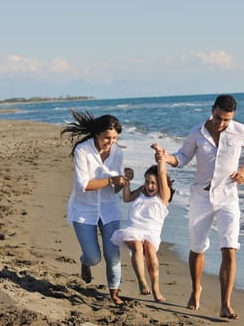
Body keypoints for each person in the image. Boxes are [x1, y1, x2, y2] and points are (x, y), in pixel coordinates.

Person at [156, 95, 244, 319]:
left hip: (228, 196)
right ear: (212, 110)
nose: (221, 123)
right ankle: (196, 288)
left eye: (226, 120)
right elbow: (181, 158)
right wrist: (166, 157)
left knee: (229, 249)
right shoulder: (197, 132)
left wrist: (243, 172)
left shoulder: (241, 131)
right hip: (201, 198)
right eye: (218, 118)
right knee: (198, 247)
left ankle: (225, 304)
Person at [61, 110, 130, 305]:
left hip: (109, 208)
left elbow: (115, 188)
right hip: (83, 209)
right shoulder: (82, 150)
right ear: (97, 134)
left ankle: (114, 292)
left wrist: (124, 180)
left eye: (115, 138)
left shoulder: (118, 152)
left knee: (113, 254)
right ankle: (85, 263)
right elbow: (84, 184)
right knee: (93, 257)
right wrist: (111, 180)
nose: (111, 142)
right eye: (107, 138)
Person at [111, 144, 174, 302]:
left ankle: (156, 289)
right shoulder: (142, 191)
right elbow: (126, 198)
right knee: (138, 246)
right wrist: (126, 183)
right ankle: (142, 281)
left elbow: (162, 172)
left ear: (160, 184)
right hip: (134, 228)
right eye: (147, 182)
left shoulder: (163, 196)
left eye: (153, 183)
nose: (149, 185)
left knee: (151, 254)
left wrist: (160, 154)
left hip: (151, 232)